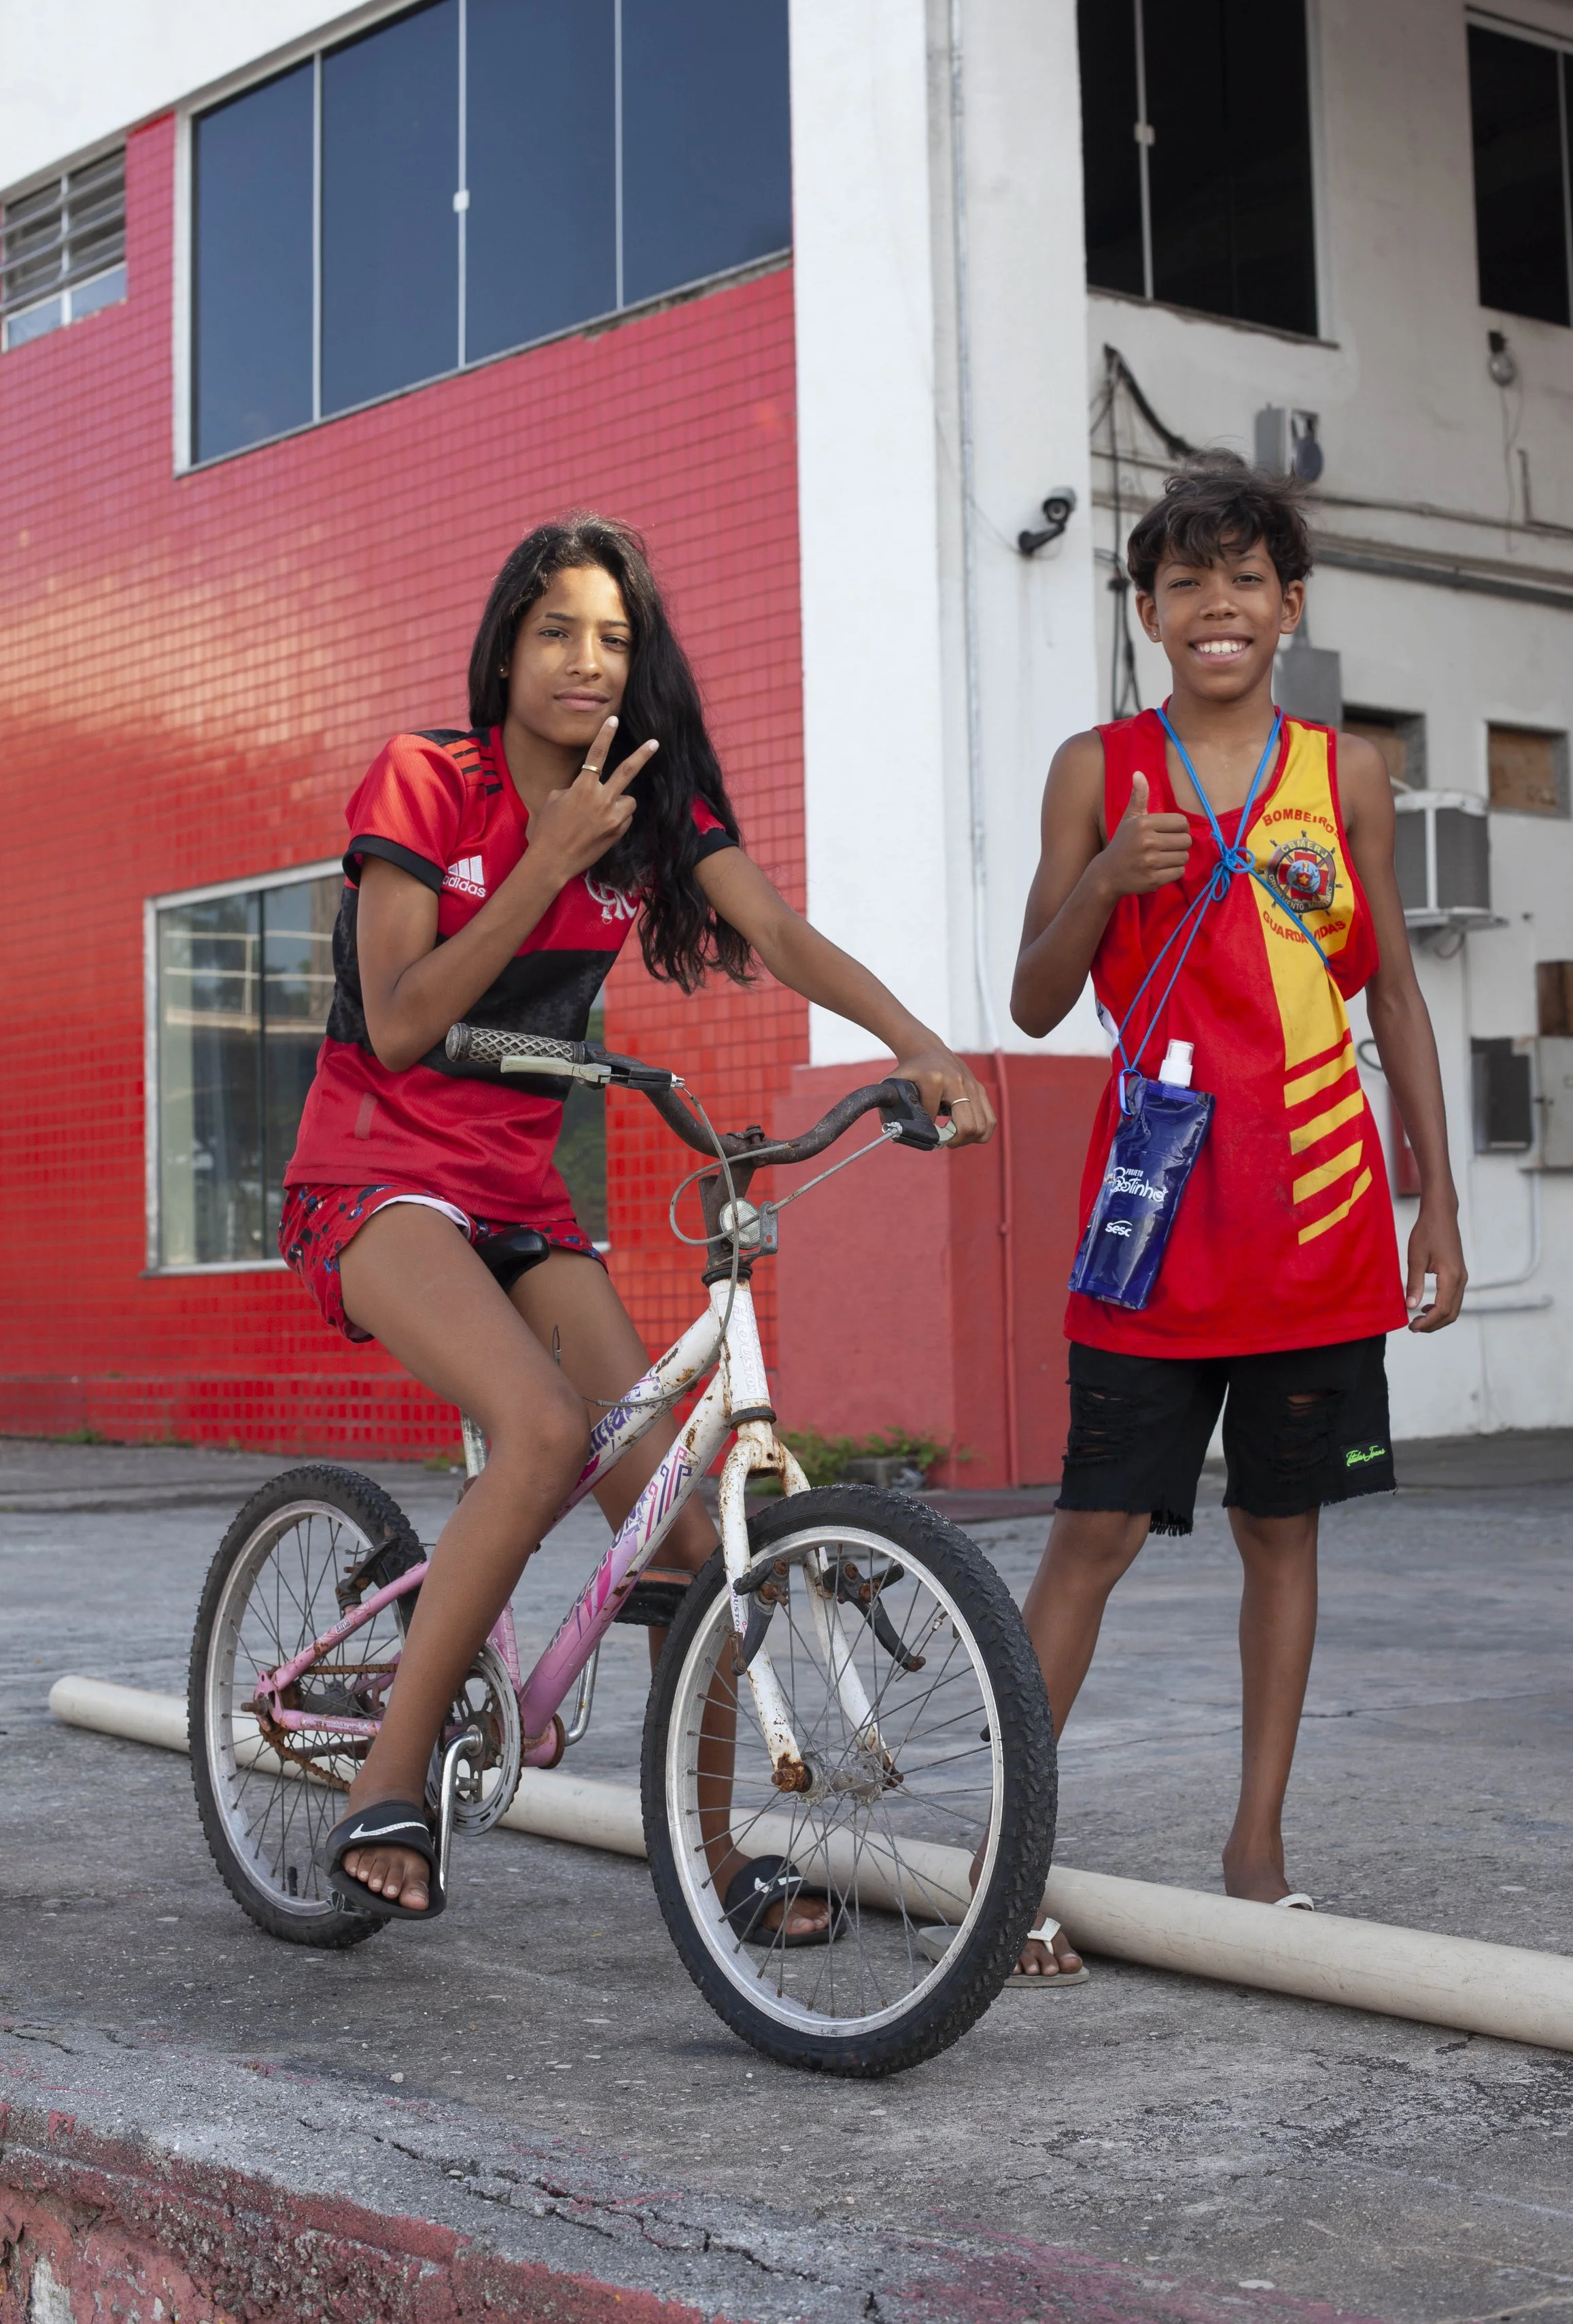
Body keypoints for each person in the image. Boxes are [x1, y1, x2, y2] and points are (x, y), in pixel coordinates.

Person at [280, 513, 996, 1928]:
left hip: (520, 1192)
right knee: (542, 1432)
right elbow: (408, 1020)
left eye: (615, 639)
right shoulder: (425, 783)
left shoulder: (648, 811)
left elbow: (779, 933)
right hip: (372, 1172)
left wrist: (920, 1042)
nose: (587, 662)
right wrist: (547, 860)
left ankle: (715, 1856)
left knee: (683, 1541)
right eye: (558, 632)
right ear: (505, 646)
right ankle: (389, 1777)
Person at [1005, 454, 1465, 1980]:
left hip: (1319, 1215)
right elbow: (1033, 994)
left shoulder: (1342, 777)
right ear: (1146, 611)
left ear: (1288, 604)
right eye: (1186, 582)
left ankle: (1255, 1847)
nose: (1217, 606)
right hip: (1151, 1221)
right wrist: (1100, 889)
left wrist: (1434, 1201)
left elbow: (1390, 987)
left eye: (1245, 580)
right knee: (1092, 1530)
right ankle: (1013, 1859)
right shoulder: (1096, 768)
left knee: (1283, 1529)